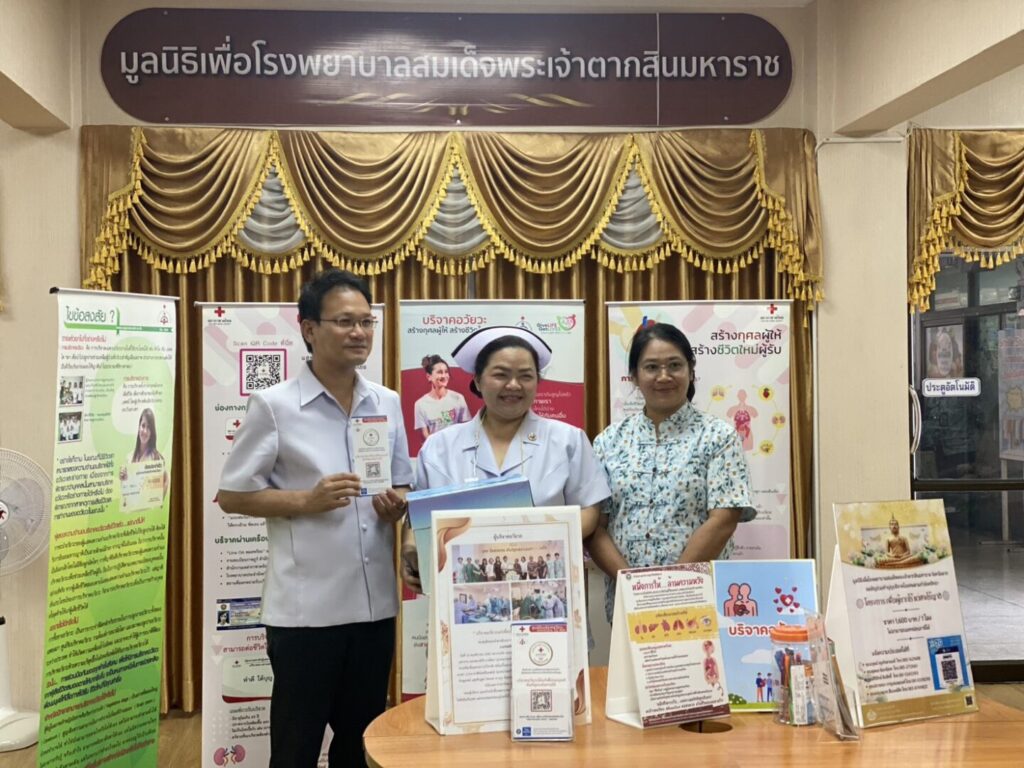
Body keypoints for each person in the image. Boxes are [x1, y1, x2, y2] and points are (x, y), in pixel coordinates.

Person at [217, 269, 413, 768]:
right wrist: (307, 500)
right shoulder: (275, 405)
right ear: (309, 329)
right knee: (295, 747)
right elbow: (233, 496)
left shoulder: (387, 402)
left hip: (373, 611)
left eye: (366, 322)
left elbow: (401, 483)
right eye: (344, 321)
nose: (359, 332)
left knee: (360, 744)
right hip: (306, 615)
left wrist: (396, 505)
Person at [402, 326, 610, 591]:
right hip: (461, 592)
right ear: (478, 380)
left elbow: (590, 510)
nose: (513, 385)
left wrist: (537, 543)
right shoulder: (438, 447)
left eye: (526, 376)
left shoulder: (568, 440)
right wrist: (411, 550)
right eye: (501, 375)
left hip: (544, 584)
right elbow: (417, 517)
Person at [587, 323, 756, 622]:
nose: (663, 376)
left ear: (691, 371)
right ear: (634, 376)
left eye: (675, 365)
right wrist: (634, 588)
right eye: (651, 367)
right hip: (628, 604)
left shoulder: (718, 436)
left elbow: (723, 519)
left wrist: (670, 591)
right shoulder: (609, 441)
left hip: (696, 603)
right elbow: (595, 526)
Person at [414, 354, 471, 438]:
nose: (444, 376)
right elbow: (424, 435)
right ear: (429, 376)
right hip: (434, 446)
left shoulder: (458, 398)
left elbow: (466, 428)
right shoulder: (420, 404)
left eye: (446, 372)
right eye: (439, 372)